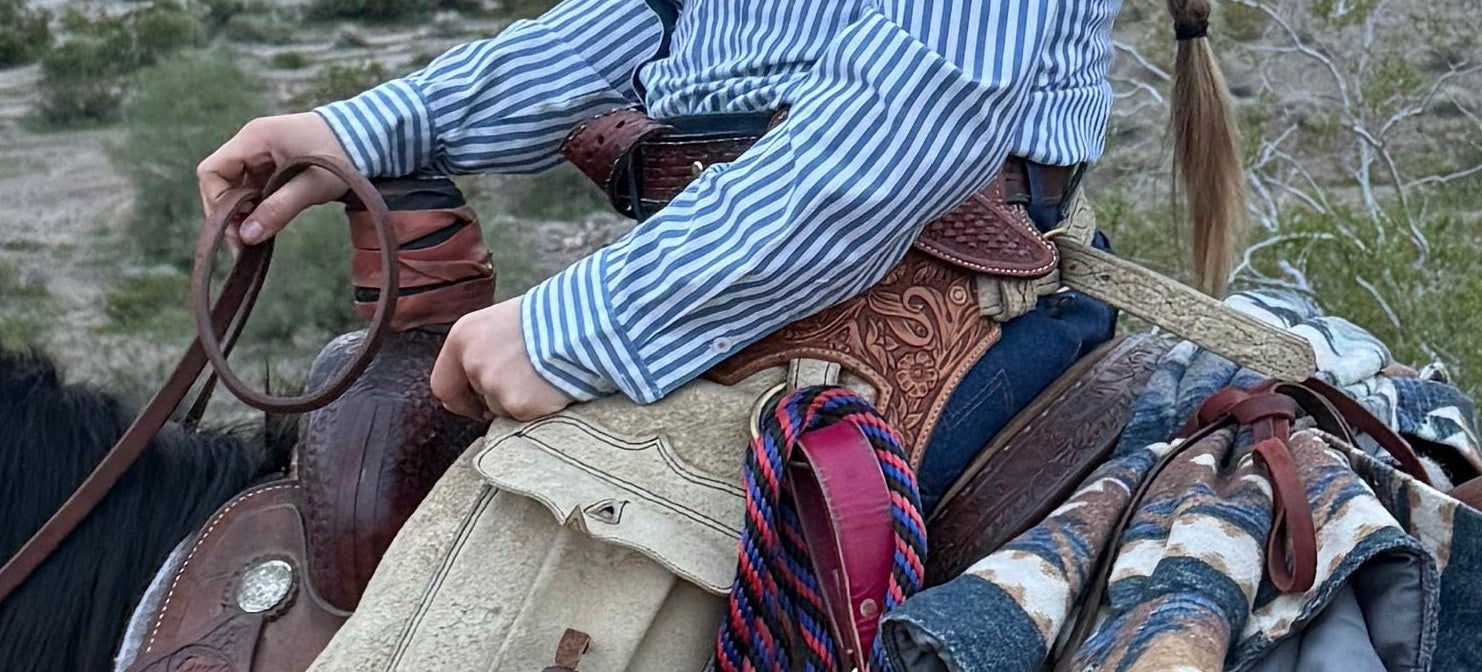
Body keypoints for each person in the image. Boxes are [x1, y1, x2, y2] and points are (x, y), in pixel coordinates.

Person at [194, 0, 1246, 503]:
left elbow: (913, 118)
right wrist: (369, 129)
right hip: (738, 272)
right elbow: (655, 25)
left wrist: (586, 323)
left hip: (931, 288)